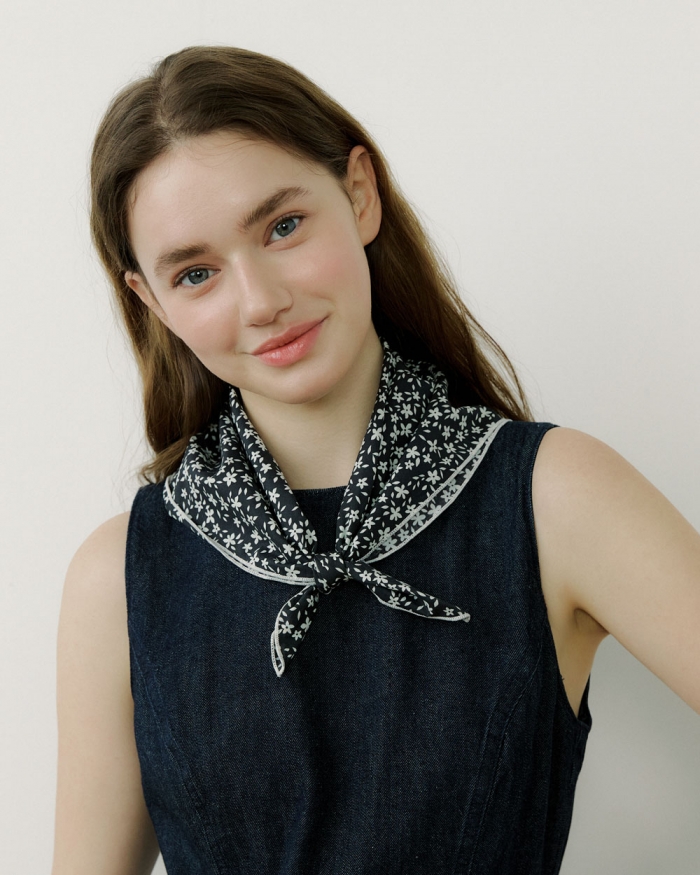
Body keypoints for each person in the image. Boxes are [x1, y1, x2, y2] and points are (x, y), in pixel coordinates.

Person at [52, 46, 700, 875]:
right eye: (197, 273)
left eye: (283, 226)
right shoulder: (119, 577)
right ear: (151, 300)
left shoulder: (555, 499)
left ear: (360, 193)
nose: (262, 301)